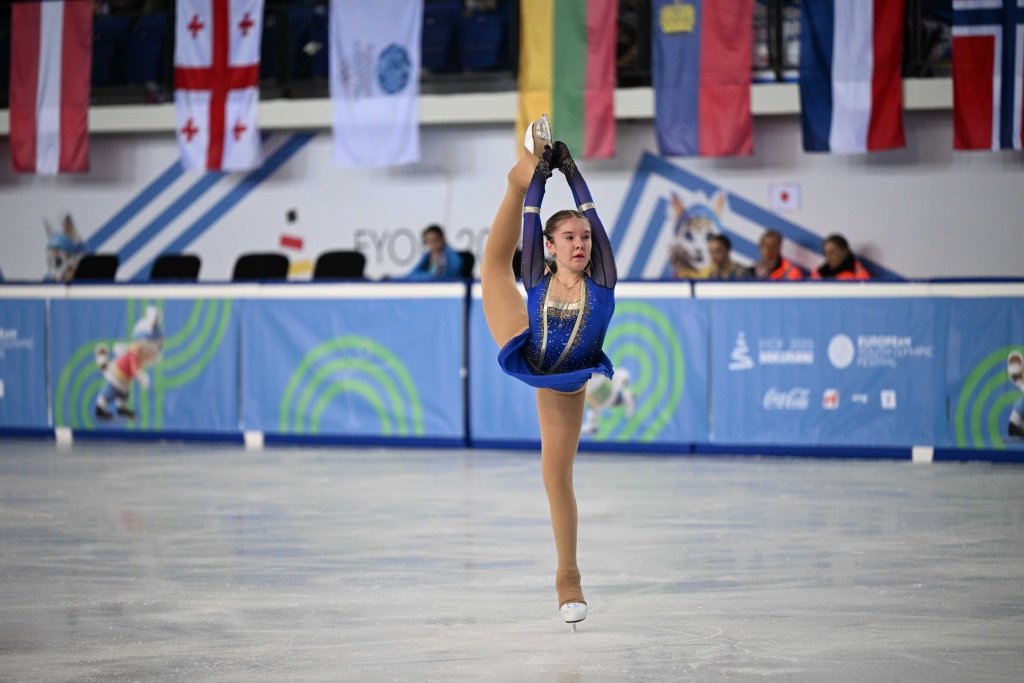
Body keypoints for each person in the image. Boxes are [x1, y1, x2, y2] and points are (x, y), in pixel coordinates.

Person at [479, 115, 617, 628]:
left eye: (584, 237)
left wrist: (571, 169)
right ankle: (515, 177)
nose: (580, 243)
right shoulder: (536, 272)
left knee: (555, 476)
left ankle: (568, 581)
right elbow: (532, 220)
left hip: (566, 380)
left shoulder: (602, 280)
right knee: (491, 269)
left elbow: (593, 215)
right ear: (551, 248)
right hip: (525, 338)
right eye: (570, 238)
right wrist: (536, 176)